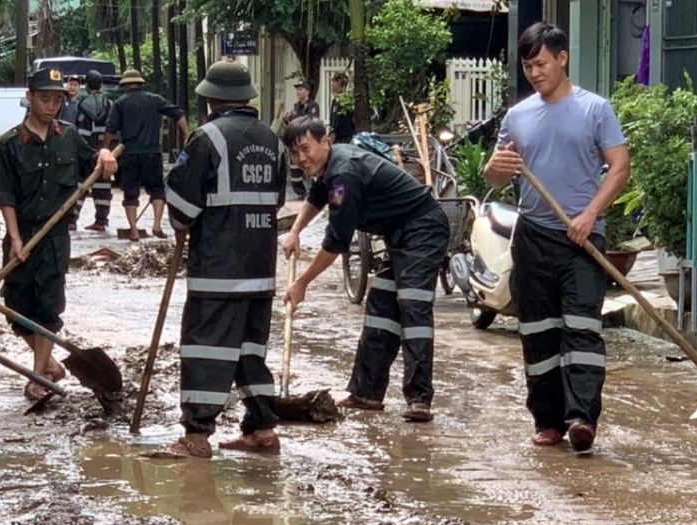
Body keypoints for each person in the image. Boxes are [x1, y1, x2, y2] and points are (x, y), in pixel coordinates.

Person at [484, 22, 630, 453]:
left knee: (582, 329)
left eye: (541, 63)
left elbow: (619, 167)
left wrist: (590, 214)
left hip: (581, 239)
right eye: (528, 66)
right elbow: (494, 175)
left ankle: (582, 417)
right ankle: (548, 420)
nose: (534, 72)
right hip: (533, 236)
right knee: (539, 333)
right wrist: (498, 166)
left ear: (562, 58)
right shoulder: (517, 116)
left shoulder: (595, 109)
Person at [282, 117, 448, 422]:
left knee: (412, 306)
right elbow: (317, 196)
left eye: (306, 149)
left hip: (423, 228)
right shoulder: (331, 167)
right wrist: (295, 231)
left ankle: (420, 398)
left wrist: (302, 283)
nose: (302, 159)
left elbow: (335, 243)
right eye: (295, 154)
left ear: (325, 141)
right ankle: (367, 393)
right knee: (381, 308)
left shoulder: (344, 173)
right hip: (398, 233)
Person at [160, 61, 287, 459]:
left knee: (206, 350)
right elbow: (277, 201)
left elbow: (181, 207)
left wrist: (181, 219)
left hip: (217, 272)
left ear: (211, 99)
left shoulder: (207, 138)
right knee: (251, 350)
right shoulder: (273, 141)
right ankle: (262, 430)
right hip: (260, 270)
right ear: (246, 97)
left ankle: (196, 437)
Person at [0, 68, 119, 401]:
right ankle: (48, 362)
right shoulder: (9, 144)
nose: (51, 106)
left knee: (48, 305)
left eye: (57, 100)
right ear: (30, 97)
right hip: (22, 231)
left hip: (54, 236)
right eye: (45, 99)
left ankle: (37, 377)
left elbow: (94, 164)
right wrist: (15, 238)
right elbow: (4, 197)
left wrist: (105, 155)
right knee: (15, 304)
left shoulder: (70, 137)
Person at [102, 69, 190, 241]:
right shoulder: (155, 100)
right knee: (157, 190)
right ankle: (157, 225)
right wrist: (187, 136)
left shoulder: (120, 103)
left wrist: (105, 150)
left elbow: (110, 129)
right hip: (152, 154)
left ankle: (134, 231)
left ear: (125, 85)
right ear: (141, 83)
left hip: (129, 154)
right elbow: (179, 114)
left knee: (130, 194)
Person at [74, 70, 115, 232]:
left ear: (86, 85)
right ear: (101, 85)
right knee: (103, 185)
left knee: (80, 185)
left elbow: (81, 130)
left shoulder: (83, 105)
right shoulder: (110, 104)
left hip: (87, 150)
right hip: (105, 150)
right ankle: (101, 221)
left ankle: (72, 220)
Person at [280, 80, 319, 199]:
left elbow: (310, 122)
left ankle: (313, 193)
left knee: (310, 168)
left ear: (307, 92)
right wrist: (287, 119)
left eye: (301, 89)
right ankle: (300, 192)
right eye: (297, 89)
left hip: (307, 141)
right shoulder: (296, 107)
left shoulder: (313, 106)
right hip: (295, 142)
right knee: (295, 171)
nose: (298, 92)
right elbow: (292, 123)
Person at [329, 73, 355, 144]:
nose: (333, 85)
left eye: (336, 82)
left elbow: (341, 124)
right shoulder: (335, 102)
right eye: (333, 82)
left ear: (343, 86)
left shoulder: (346, 102)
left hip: (345, 139)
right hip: (336, 139)